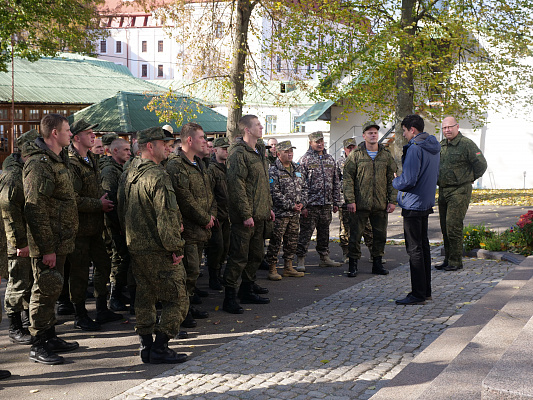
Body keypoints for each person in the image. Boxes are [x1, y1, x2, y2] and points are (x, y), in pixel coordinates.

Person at [119, 127, 188, 364]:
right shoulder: (157, 176)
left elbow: (121, 211)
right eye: (164, 143)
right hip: (159, 250)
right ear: (150, 146)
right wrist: (176, 249)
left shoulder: (129, 171)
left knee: (145, 297)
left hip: (136, 247)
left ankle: (146, 346)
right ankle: (160, 347)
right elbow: (166, 217)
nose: (169, 147)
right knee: (177, 299)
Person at [23, 113, 80, 365]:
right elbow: (35, 208)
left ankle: (50, 335)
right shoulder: (39, 164)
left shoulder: (58, 159)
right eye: (67, 131)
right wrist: (46, 248)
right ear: (54, 133)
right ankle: (37, 344)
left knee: (53, 291)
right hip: (48, 244)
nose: (70, 134)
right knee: (44, 292)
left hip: (60, 241)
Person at [67, 119, 122, 330]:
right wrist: (98, 204)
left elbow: (94, 189)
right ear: (76, 137)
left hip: (96, 227)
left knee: (104, 265)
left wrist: (102, 201)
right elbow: (73, 198)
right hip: (79, 229)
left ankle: (101, 308)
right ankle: (80, 314)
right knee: (79, 273)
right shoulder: (71, 163)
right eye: (88, 133)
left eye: (93, 132)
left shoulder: (91, 158)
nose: (93, 136)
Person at [223, 115, 274, 314]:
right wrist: (245, 214)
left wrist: (267, 207)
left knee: (256, 255)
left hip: (260, 213)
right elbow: (237, 186)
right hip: (246, 217)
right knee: (238, 257)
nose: (262, 127)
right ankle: (229, 296)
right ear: (247, 129)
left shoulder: (258, 151)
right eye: (258, 125)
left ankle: (246, 289)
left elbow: (262, 185)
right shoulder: (238, 153)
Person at [165, 122, 215, 328]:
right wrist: (205, 218)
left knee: (194, 271)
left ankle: (187, 305)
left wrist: (210, 215)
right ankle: (181, 311)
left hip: (201, 228)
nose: (205, 141)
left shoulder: (198, 163)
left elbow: (207, 193)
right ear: (189, 140)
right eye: (202, 137)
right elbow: (185, 199)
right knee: (189, 271)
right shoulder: (176, 165)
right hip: (188, 228)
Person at [393, 114, 440, 305]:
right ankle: (425, 291)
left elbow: (409, 180)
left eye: (404, 131)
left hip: (413, 204)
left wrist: (396, 180)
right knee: (423, 247)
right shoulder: (433, 147)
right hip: (425, 202)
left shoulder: (415, 148)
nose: (403, 135)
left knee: (414, 250)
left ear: (412, 129)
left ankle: (418, 294)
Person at [0, 129, 39, 346]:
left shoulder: (23, 170)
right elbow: (10, 211)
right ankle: (14, 327)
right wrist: (19, 243)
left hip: (25, 237)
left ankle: (25, 321)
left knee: (27, 281)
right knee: (18, 281)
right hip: (15, 241)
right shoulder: (14, 176)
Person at [343, 122, 397, 277]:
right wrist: (350, 200)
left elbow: (392, 179)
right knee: (355, 236)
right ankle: (353, 265)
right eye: (370, 133)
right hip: (360, 204)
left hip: (380, 204)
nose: (373, 135)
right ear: (364, 135)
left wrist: (392, 200)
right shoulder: (356, 155)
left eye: (375, 133)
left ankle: (377, 263)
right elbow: (347, 179)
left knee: (380, 235)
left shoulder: (385, 155)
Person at [437, 116, 487, 271]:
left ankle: (455, 261)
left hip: (459, 190)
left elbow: (481, 164)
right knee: (445, 227)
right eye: (444, 128)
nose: (447, 130)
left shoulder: (466, 144)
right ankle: (448, 259)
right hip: (444, 190)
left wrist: (471, 178)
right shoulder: (442, 145)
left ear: (457, 127)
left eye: (450, 127)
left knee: (453, 225)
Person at [296, 131, 342, 271]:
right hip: (310, 205)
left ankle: (324, 257)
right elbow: (299, 184)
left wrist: (336, 201)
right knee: (305, 233)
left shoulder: (329, 159)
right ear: (311, 143)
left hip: (326, 204)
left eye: (321, 141)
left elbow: (336, 181)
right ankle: (301, 259)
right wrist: (302, 204)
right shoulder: (304, 160)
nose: (320, 144)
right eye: (317, 142)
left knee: (324, 232)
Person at [265, 140, 306, 280]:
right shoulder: (273, 170)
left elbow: (304, 188)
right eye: (286, 151)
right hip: (280, 214)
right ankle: (272, 268)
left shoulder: (297, 168)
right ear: (278, 153)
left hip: (295, 213)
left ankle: (288, 267)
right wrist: (290, 205)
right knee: (276, 241)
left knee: (292, 241)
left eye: (291, 151)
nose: (290, 154)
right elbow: (273, 192)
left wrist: (302, 203)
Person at [100, 138, 133, 313]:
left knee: (123, 258)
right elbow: (110, 202)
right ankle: (114, 296)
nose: (129, 153)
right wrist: (119, 224)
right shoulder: (109, 171)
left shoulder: (121, 168)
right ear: (114, 151)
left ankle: (119, 292)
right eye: (125, 150)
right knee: (118, 258)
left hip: (120, 222)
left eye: (129, 149)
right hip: (113, 224)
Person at [338, 137, 374, 261]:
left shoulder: (362, 159)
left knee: (368, 228)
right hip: (345, 201)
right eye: (349, 147)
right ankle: (346, 254)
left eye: (353, 146)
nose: (351, 149)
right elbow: (336, 182)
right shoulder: (339, 163)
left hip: (362, 201)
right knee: (346, 229)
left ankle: (373, 254)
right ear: (344, 149)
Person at [206, 137, 231, 290]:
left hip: (227, 215)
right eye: (223, 148)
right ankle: (213, 277)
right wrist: (212, 213)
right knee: (216, 247)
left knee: (225, 247)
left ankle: (218, 274)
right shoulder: (211, 169)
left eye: (228, 148)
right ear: (215, 150)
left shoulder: (227, 168)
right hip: (217, 215)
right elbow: (209, 194)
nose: (226, 151)